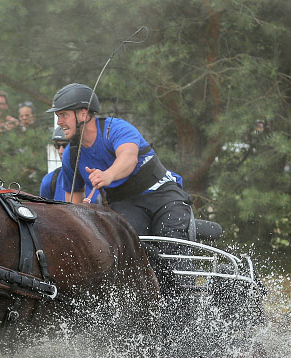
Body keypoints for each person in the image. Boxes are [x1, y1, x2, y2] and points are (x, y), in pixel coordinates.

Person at [46, 82, 192, 242]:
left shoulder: (116, 129)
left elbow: (129, 157)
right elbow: (73, 199)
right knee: (131, 251)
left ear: (83, 114)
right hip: (125, 204)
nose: (59, 122)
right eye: (57, 116)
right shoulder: (71, 155)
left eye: (63, 115)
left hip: (162, 194)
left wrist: (108, 175)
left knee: (173, 243)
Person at [39, 127, 69, 201]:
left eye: (65, 145)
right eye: (57, 146)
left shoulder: (97, 178)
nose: (60, 151)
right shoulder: (49, 181)